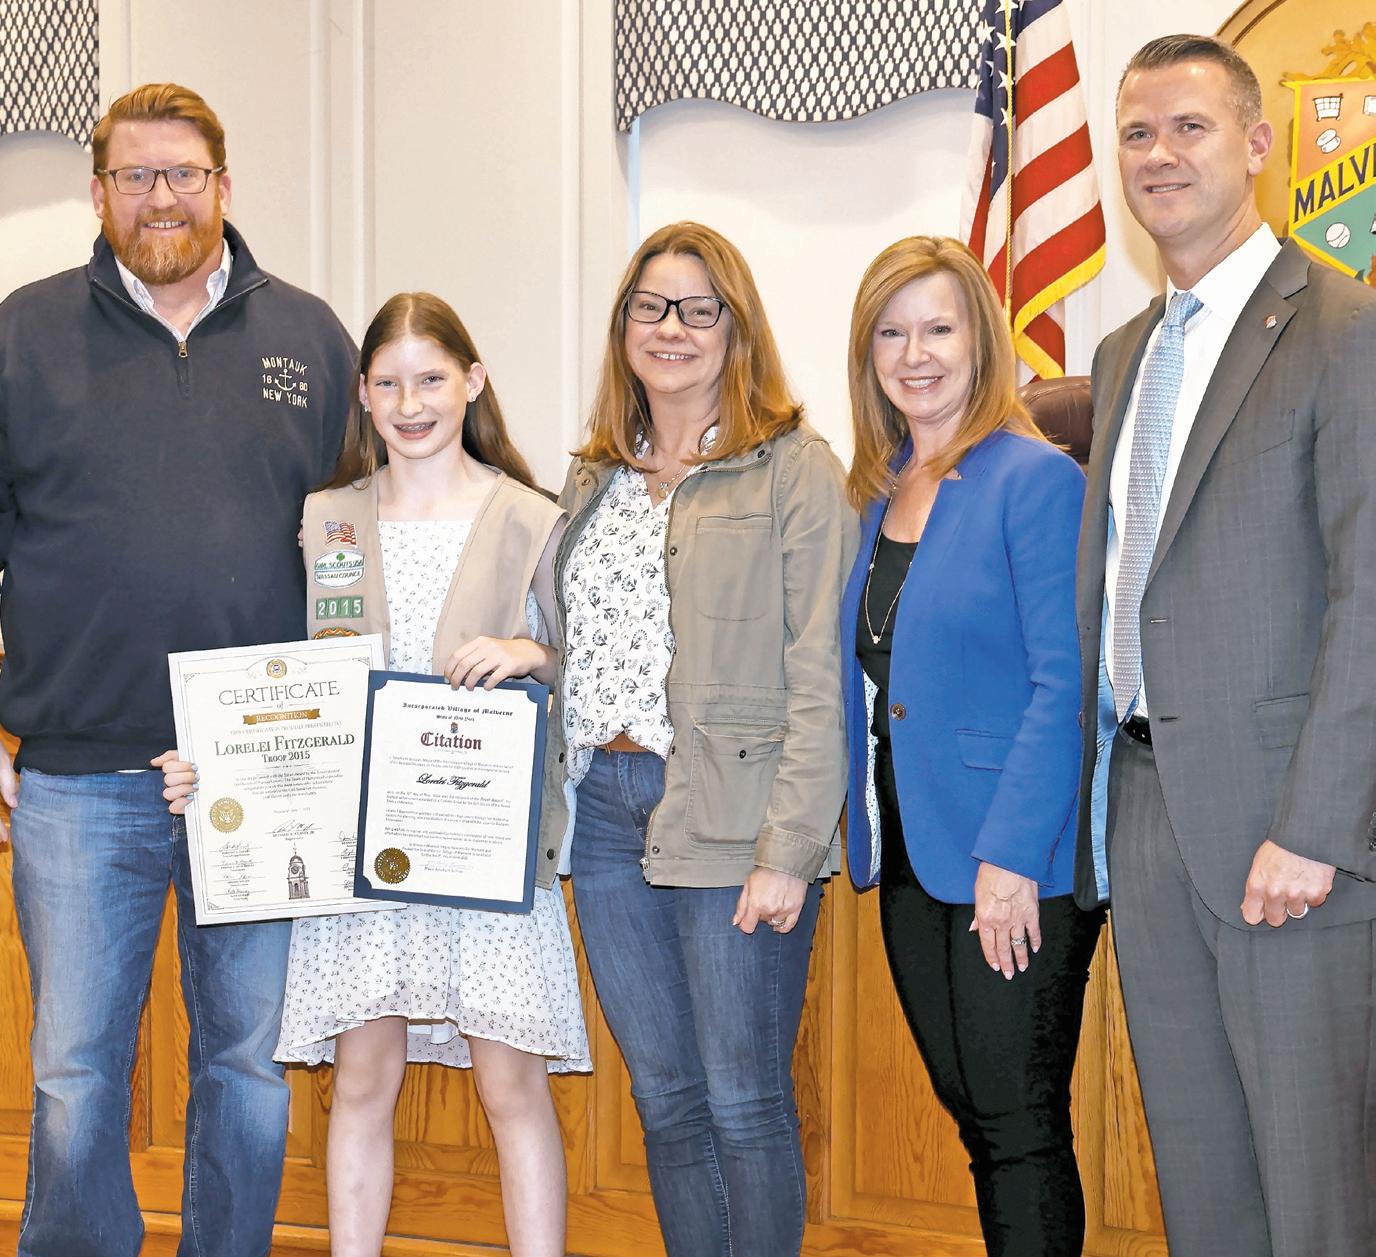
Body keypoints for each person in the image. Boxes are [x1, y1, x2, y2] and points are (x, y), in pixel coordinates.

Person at [0, 83, 357, 1257]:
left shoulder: (309, 339)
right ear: (98, 192)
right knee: (74, 1072)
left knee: (246, 1065)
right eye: (136, 175)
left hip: (263, 774)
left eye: (183, 174)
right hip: (76, 778)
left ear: (223, 187)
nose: (162, 197)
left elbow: (352, 552)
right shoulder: (21, 334)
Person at [160, 292, 590, 1257]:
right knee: (361, 1079)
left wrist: (529, 653)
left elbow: (584, 667)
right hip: (356, 846)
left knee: (511, 1085)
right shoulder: (327, 519)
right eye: (389, 383)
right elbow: (279, 678)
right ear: (361, 393)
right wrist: (213, 759)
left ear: (473, 380)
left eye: (431, 378)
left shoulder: (529, 516)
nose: (411, 402)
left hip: (482, 842)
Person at [1074, 34, 1376, 1257]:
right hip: (1145, 815)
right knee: (1201, 1195)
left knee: (1313, 1202)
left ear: (1255, 146)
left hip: (1284, 836)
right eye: (1136, 133)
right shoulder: (1120, 356)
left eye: (1188, 127)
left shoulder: (1341, 328)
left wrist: (1314, 828)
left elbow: (1367, 596)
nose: (1158, 154)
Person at [538, 221, 854, 1257]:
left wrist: (789, 849)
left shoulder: (792, 469)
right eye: (649, 307)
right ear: (623, 328)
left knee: (742, 1099)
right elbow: (585, 646)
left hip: (732, 816)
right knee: (666, 1099)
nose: (669, 328)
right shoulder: (593, 478)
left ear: (734, 327)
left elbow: (820, 673)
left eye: (696, 309)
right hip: (604, 813)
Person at [839, 236, 1104, 1257]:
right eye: (891, 333)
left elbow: (1062, 684)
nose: (915, 354)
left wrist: (1010, 857)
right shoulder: (880, 488)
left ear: (981, 339)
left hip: (1013, 858)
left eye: (938, 328)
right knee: (975, 1113)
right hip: (913, 852)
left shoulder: (1034, 478)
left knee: (1016, 1123)